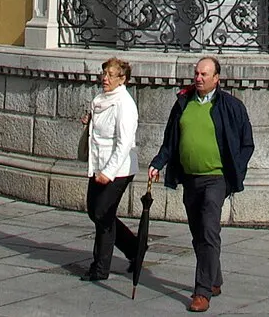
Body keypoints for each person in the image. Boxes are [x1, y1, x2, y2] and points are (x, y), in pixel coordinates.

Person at [147, 55, 254, 314]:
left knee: (208, 230)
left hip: (216, 179)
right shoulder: (183, 103)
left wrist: (234, 172)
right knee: (198, 234)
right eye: (196, 73)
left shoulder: (231, 106)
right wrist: (158, 163)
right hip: (190, 178)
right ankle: (214, 279)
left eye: (204, 74)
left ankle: (202, 291)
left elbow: (246, 143)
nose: (198, 78)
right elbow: (171, 139)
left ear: (217, 78)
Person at [79, 56, 139, 283]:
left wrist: (109, 172)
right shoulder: (100, 99)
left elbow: (124, 143)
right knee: (95, 211)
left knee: (103, 213)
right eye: (104, 74)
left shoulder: (125, 104)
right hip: (98, 164)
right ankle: (135, 249)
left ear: (122, 79)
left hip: (118, 169)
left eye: (111, 75)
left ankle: (100, 268)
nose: (105, 79)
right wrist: (90, 121)